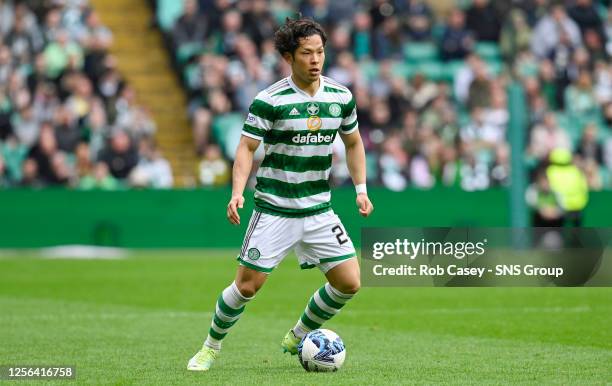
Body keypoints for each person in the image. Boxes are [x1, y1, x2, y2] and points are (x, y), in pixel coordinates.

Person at [187, 17, 374, 372]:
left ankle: (299, 334)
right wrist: (237, 192)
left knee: (349, 282)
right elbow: (245, 148)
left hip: (319, 208)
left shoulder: (340, 96)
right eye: (307, 53)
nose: (316, 59)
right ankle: (210, 347)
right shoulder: (269, 100)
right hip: (275, 209)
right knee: (246, 286)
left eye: (320, 52)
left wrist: (361, 190)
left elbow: (354, 143)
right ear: (290, 56)